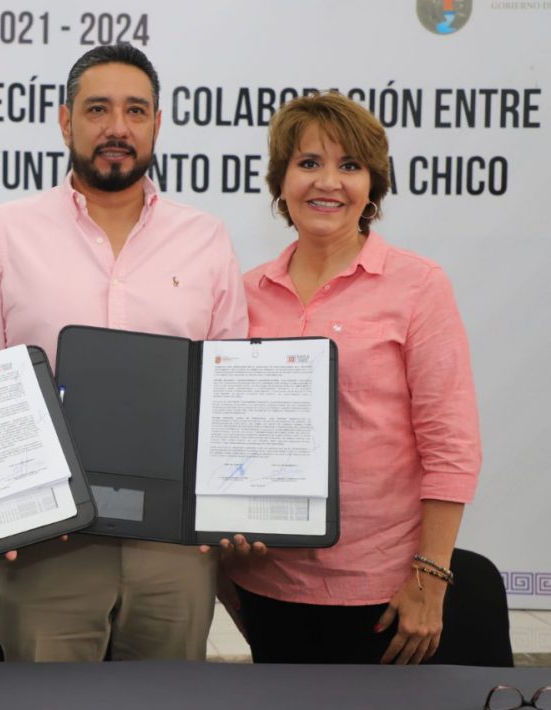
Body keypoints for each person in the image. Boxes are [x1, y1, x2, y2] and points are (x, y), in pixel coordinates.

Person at [0, 44, 249, 662]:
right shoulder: (6, 230)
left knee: (166, 700)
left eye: (135, 111)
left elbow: (231, 392)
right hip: (47, 540)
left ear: (157, 124)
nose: (118, 127)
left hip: (173, 545)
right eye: (97, 109)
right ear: (66, 121)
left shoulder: (206, 238)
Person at [224, 91, 481, 665]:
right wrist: (222, 561)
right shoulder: (243, 294)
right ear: (281, 181)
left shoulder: (419, 286)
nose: (328, 182)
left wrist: (430, 578)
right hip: (265, 584)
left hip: (383, 591)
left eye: (349, 165)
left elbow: (451, 445)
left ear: (372, 186)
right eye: (308, 163)